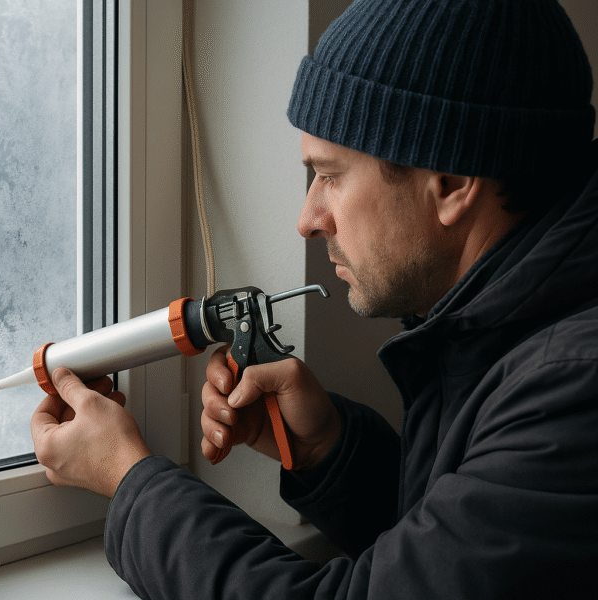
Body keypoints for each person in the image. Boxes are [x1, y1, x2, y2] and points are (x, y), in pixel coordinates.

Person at [30, 0, 598, 597]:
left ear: (452, 183)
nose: (307, 219)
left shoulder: (575, 387)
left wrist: (130, 483)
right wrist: (331, 449)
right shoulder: (512, 334)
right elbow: (460, 562)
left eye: (329, 174)